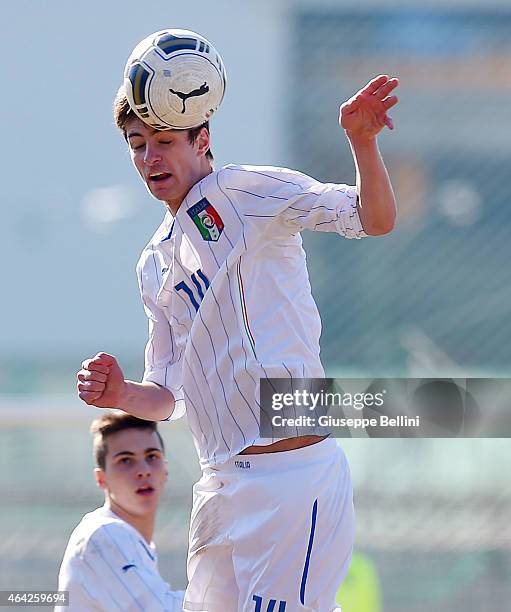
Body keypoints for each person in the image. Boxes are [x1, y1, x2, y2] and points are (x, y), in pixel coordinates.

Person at [77, 41, 398, 610]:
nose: (151, 157)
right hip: (220, 485)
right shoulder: (153, 262)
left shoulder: (247, 192)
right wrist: (122, 392)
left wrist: (362, 143)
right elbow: (167, 396)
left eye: (166, 140)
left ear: (202, 138)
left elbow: (373, 220)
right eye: (138, 144)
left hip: (291, 476)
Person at [56, 412, 185, 611]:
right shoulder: (104, 535)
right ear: (101, 479)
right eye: (126, 460)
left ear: (165, 469)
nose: (144, 470)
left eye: (152, 456)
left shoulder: (129, 539)